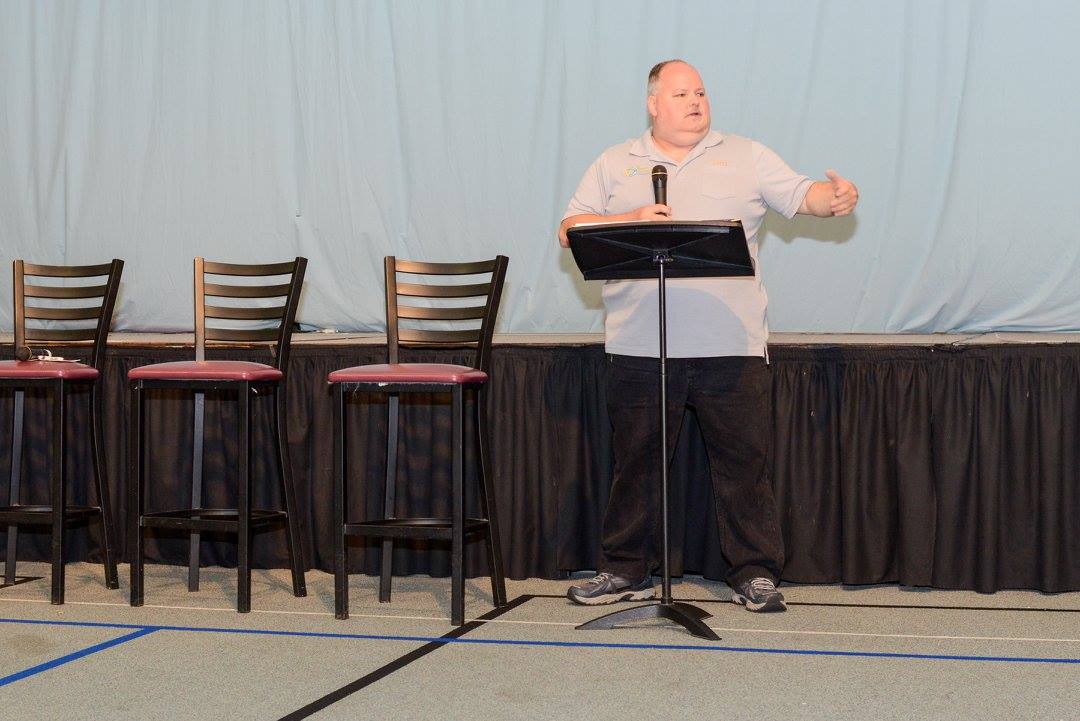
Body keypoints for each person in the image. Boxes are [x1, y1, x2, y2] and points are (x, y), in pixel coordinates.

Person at [559, 59, 858, 612]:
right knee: (636, 466)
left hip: (731, 345)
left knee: (743, 467)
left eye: (700, 92)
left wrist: (833, 198)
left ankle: (754, 572)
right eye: (681, 94)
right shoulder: (615, 162)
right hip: (640, 346)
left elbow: (805, 195)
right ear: (653, 104)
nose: (695, 101)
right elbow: (569, 229)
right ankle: (624, 570)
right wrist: (633, 218)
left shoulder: (745, 154)